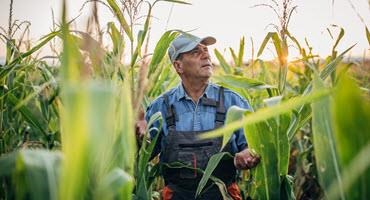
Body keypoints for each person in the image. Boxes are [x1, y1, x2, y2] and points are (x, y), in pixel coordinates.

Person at [136, 33, 260, 200]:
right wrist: (137, 137)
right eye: (195, 52)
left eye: (206, 50)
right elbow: (142, 156)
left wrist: (247, 154)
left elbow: (253, 146)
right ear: (178, 66)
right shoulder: (161, 107)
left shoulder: (234, 102)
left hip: (223, 195)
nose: (206, 55)